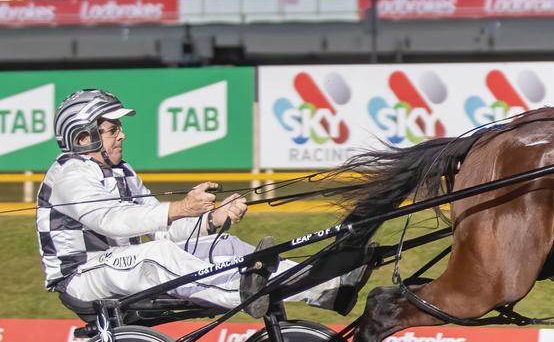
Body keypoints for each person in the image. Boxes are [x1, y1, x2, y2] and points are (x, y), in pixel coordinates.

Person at [36, 88, 369, 318]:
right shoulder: (69, 174)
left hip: (121, 265)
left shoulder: (122, 171)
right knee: (158, 257)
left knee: (223, 245)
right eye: (112, 130)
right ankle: (244, 291)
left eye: (119, 128)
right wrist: (181, 207)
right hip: (80, 277)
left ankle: (326, 286)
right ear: (83, 137)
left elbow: (163, 230)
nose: (121, 135)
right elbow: (109, 221)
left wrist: (210, 219)